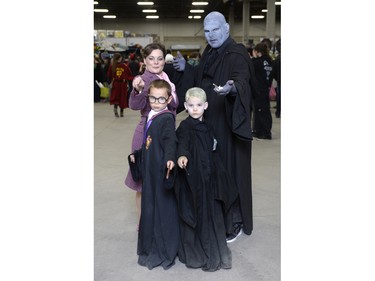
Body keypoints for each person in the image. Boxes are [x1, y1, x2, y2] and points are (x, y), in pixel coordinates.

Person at [173, 11, 254, 242]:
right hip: (208, 123)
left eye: (215, 29)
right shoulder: (209, 51)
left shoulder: (236, 53)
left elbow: (242, 78)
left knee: (229, 172)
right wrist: (186, 68)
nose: (211, 35)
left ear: (226, 28)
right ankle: (215, 217)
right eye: (207, 31)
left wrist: (233, 88)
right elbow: (201, 77)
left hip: (227, 125)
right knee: (212, 172)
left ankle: (234, 222)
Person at [175, 87, 233, 271]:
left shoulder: (208, 127)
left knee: (209, 210)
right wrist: (182, 155)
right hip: (193, 177)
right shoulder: (185, 126)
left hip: (208, 175)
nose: (194, 109)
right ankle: (195, 248)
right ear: (185, 106)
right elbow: (182, 142)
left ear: (205, 106)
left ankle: (209, 240)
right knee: (195, 209)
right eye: (191, 105)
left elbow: (214, 149)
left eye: (198, 105)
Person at [124, 43, 178, 229]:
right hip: (146, 134)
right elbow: (135, 104)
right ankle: (143, 225)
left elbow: (174, 105)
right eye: (151, 58)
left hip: (165, 134)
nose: (156, 62)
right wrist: (137, 89)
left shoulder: (165, 77)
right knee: (142, 183)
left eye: (160, 58)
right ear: (144, 61)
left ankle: (157, 219)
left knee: (160, 178)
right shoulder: (143, 79)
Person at [128, 79, 179, 270]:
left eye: (161, 99)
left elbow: (170, 141)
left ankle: (163, 246)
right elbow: (148, 141)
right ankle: (149, 243)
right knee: (149, 204)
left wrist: (170, 158)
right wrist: (139, 155)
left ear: (168, 100)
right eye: (152, 98)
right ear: (148, 97)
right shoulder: (151, 114)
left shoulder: (166, 118)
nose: (156, 102)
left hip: (159, 168)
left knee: (160, 205)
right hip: (149, 167)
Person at [251, 43, 274, 139]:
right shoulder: (270, 61)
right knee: (265, 110)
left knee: (260, 111)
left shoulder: (257, 62)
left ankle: (264, 132)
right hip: (266, 89)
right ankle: (261, 130)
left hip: (258, 89)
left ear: (257, 51)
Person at [107, 53, 134, 117]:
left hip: (119, 83)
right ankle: (118, 110)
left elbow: (109, 75)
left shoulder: (118, 66)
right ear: (118, 58)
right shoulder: (117, 66)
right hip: (119, 83)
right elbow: (129, 74)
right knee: (119, 97)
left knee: (120, 97)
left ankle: (118, 110)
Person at [273, 39, 281, 118]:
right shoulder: (278, 58)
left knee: (279, 97)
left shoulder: (278, 58)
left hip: (280, 80)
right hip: (279, 80)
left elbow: (274, 70)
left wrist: (277, 78)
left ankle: (278, 112)